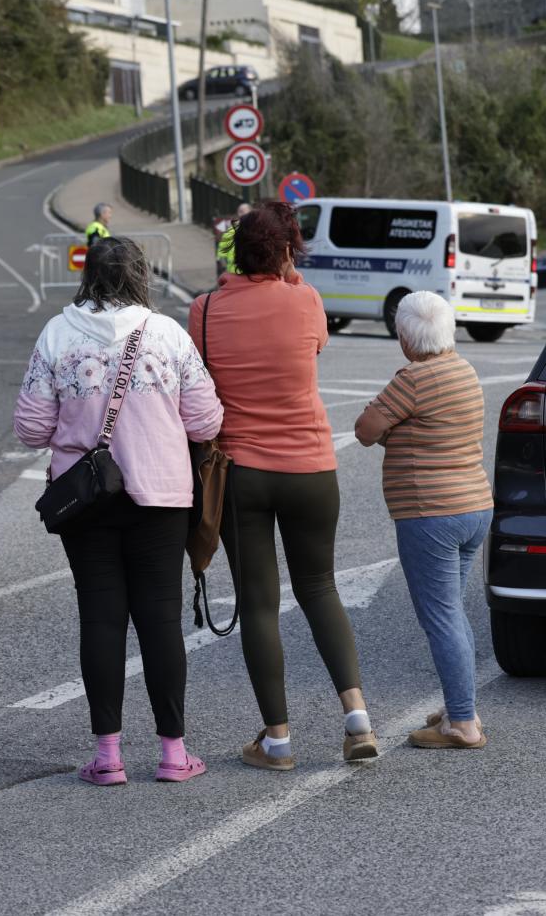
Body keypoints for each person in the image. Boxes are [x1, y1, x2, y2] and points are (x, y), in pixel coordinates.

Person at [15, 237, 223, 785]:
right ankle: (173, 754)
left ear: (88, 276)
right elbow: (205, 422)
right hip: (160, 498)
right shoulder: (168, 334)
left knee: (101, 619)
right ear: (141, 277)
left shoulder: (57, 334)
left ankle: (108, 756)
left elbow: (31, 427)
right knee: (161, 621)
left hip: (86, 501)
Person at [188, 200, 377, 770]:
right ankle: (357, 718)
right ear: (288, 251)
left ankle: (278, 740)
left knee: (260, 605)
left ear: (236, 253)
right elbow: (313, 344)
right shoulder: (307, 302)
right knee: (320, 587)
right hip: (313, 469)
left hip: (243, 473)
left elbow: (197, 386)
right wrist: (290, 275)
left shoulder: (203, 311)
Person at [355, 291, 493, 750]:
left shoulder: (413, 379)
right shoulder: (464, 369)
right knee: (452, 611)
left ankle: (462, 725)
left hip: (431, 512)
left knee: (443, 616)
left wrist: (395, 427)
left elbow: (366, 429)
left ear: (405, 339)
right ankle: (461, 706)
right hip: (474, 504)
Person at [214, 202, 252, 276]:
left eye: (243, 212)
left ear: (251, 213)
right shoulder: (230, 232)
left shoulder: (257, 230)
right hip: (233, 274)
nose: (241, 214)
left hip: (250, 274)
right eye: (239, 212)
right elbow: (221, 254)